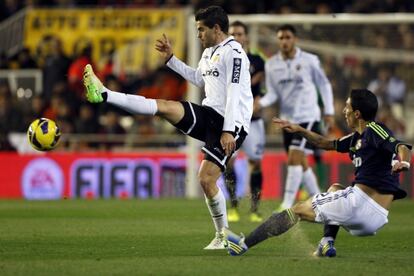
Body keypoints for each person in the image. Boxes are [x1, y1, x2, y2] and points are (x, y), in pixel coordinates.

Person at [82, 6, 253, 250]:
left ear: (216, 28)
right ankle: (105, 94)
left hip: (231, 122)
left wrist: (228, 130)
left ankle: (223, 235)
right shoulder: (209, 53)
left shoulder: (234, 52)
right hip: (209, 114)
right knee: (165, 107)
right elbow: (199, 79)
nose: (198, 35)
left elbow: (235, 93)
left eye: (201, 30)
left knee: (205, 180)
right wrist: (172, 60)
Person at [223, 89, 412, 257]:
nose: (343, 111)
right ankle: (326, 243)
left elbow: (400, 146)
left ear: (357, 113)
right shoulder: (356, 138)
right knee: (335, 188)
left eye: (347, 107)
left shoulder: (374, 130)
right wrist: (300, 130)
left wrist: (403, 161)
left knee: (296, 210)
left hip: (360, 204)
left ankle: (243, 245)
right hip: (376, 217)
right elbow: (325, 143)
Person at [254, 24, 335, 212]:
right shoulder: (271, 64)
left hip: (308, 117)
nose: (284, 41)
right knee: (302, 163)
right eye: (281, 38)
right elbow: (273, 94)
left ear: (295, 39)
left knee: (294, 157)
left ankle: (287, 204)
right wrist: (261, 103)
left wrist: (329, 111)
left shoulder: (310, 60)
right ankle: (319, 201)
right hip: (287, 119)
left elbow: (324, 85)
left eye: (288, 37)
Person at [225, 20, 266, 223]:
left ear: (246, 37)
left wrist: (260, 99)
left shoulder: (258, 61)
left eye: (239, 34)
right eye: (232, 34)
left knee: (256, 163)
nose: (236, 37)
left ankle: (255, 209)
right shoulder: (223, 59)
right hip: (232, 121)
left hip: (254, 120)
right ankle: (232, 207)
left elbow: (265, 87)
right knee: (229, 162)